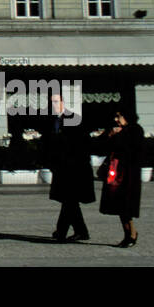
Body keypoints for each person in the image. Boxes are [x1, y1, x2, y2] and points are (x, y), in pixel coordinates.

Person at [45, 96, 94, 242]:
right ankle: (80, 231)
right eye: (51, 102)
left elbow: (82, 144)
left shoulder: (74, 119)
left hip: (74, 169)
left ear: (63, 103)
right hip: (61, 169)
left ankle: (62, 232)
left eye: (56, 102)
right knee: (69, 201)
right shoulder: (53, 121)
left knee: (69, 200)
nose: (53, 105)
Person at [97, 108, 144, 247]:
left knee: (126, 206)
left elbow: (133, 151)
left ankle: (131, 234)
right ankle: (129, 234)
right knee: (119, 206)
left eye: (119, 116)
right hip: (115, 173)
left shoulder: (135, 130)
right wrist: (110, 134)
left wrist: (118, 136)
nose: (116, 120)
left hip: (128, 175)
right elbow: (100, 145)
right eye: (116, 117)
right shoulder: (117, 130)